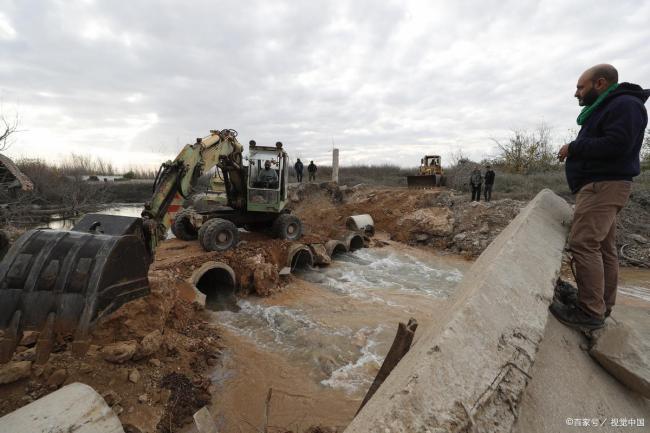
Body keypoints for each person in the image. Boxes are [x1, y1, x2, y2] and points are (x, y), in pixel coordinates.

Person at [552, 64, 648, 330]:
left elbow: (618, 144)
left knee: (584, 244)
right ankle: (599, 304)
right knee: (603, 248)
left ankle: (589, 311)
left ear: (600, 83)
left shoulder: (625, 105)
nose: (576, 93)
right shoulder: (613, 106)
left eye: (580, 87)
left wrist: (574, 147)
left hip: (603, 187)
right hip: (603, 187)